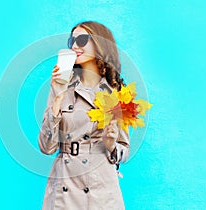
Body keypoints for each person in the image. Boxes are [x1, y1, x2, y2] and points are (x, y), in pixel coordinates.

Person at [38, 21, 130, 210]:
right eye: (71, 40)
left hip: (100, 187)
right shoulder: (61, 84)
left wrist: (111, 143)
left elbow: (124, 151)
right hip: (64, 185)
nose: (74, 46)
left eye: (82, 39)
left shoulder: (116, 91)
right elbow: (46, 147)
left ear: (100, 44)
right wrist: (57, 97)